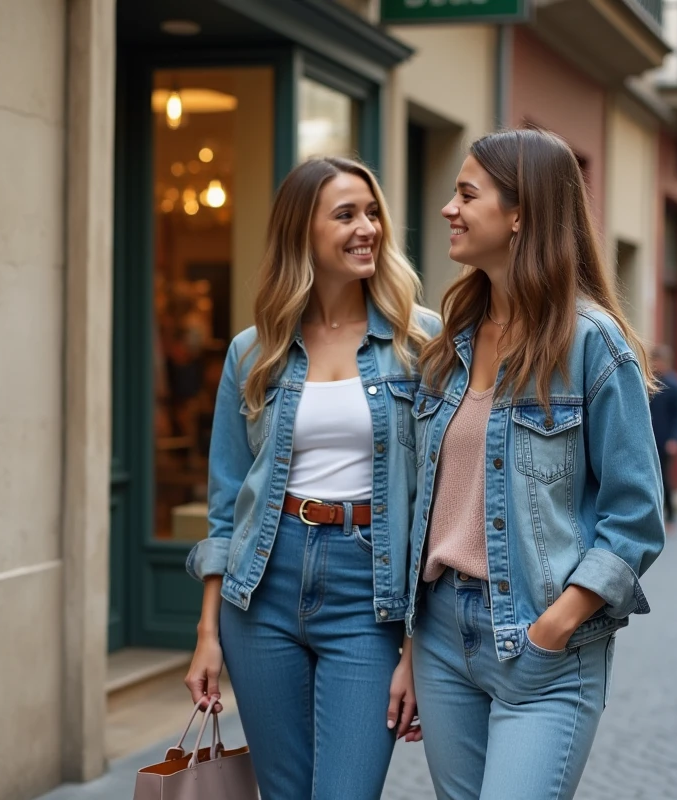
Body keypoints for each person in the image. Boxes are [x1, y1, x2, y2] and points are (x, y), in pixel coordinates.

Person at [406, 128, 665, 799]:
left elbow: (636, 517)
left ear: (520, 214)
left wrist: (557, 624)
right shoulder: (451, 341)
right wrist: (410, 645)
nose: (449, 209)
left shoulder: (593, 343)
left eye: (467, 194)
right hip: (441, 635)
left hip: (541, 643)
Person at [182, 157, 438, 799]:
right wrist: (208, 634)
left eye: (372, 213)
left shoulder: (420, 340)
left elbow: (438, 499)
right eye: (346, 215)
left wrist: (416, 647)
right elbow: (226, 504)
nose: (367, 228)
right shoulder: (254, 350)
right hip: (263, 587)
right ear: (303, 231)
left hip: (368, 591)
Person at [649, 345, 677, 532]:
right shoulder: (648, 381)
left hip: (666, 441)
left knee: (664, 478)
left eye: (659, 361)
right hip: (648, 439)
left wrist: (675, 438)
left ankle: (671, 514)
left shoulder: (675, 384)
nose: (657, 364)